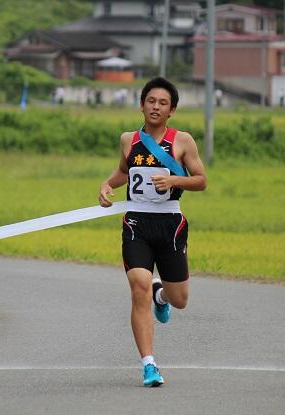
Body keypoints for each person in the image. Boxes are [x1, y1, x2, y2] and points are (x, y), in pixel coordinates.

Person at [98, 77, 207, 387]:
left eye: (163, 103)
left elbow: (201, 180)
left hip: (170, 225)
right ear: (141, 105)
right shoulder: (128, 140)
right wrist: (107, 185)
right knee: (138, 286)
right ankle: (149, 364)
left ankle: (162, 296)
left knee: (179, 299)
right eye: (151, 101)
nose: (156, 107)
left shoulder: (182, 141)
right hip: (136, 224)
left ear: (172, 110)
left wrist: (175, 180)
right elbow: (124, 171)